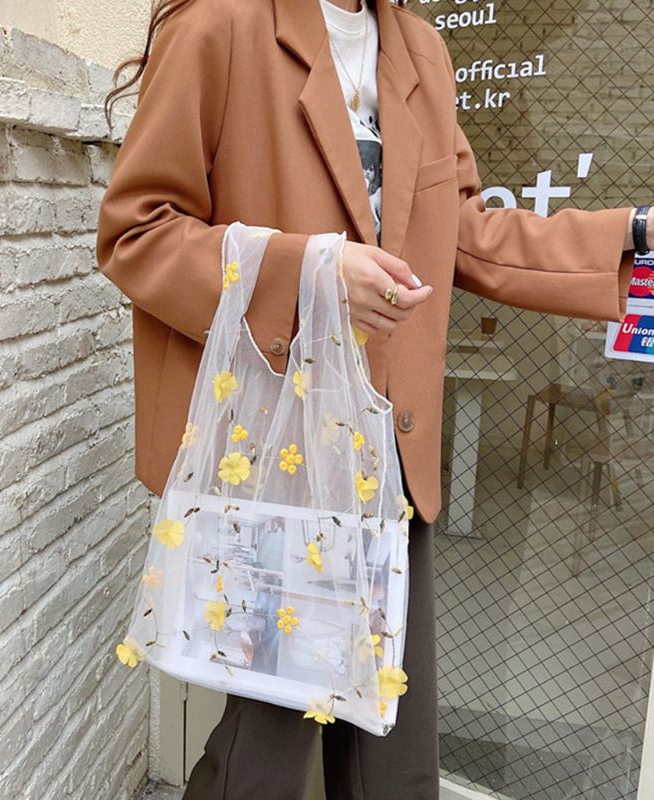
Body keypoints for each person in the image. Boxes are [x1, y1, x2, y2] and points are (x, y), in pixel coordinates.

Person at [95, 0, 651, 796]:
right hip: (280, 455)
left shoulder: (420, 49)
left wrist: (630, 232)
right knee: (267, 751)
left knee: (395, 749)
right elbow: (136, 234)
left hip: (391, 452)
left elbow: (459, 231)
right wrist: (310, 273)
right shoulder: (222, 22)